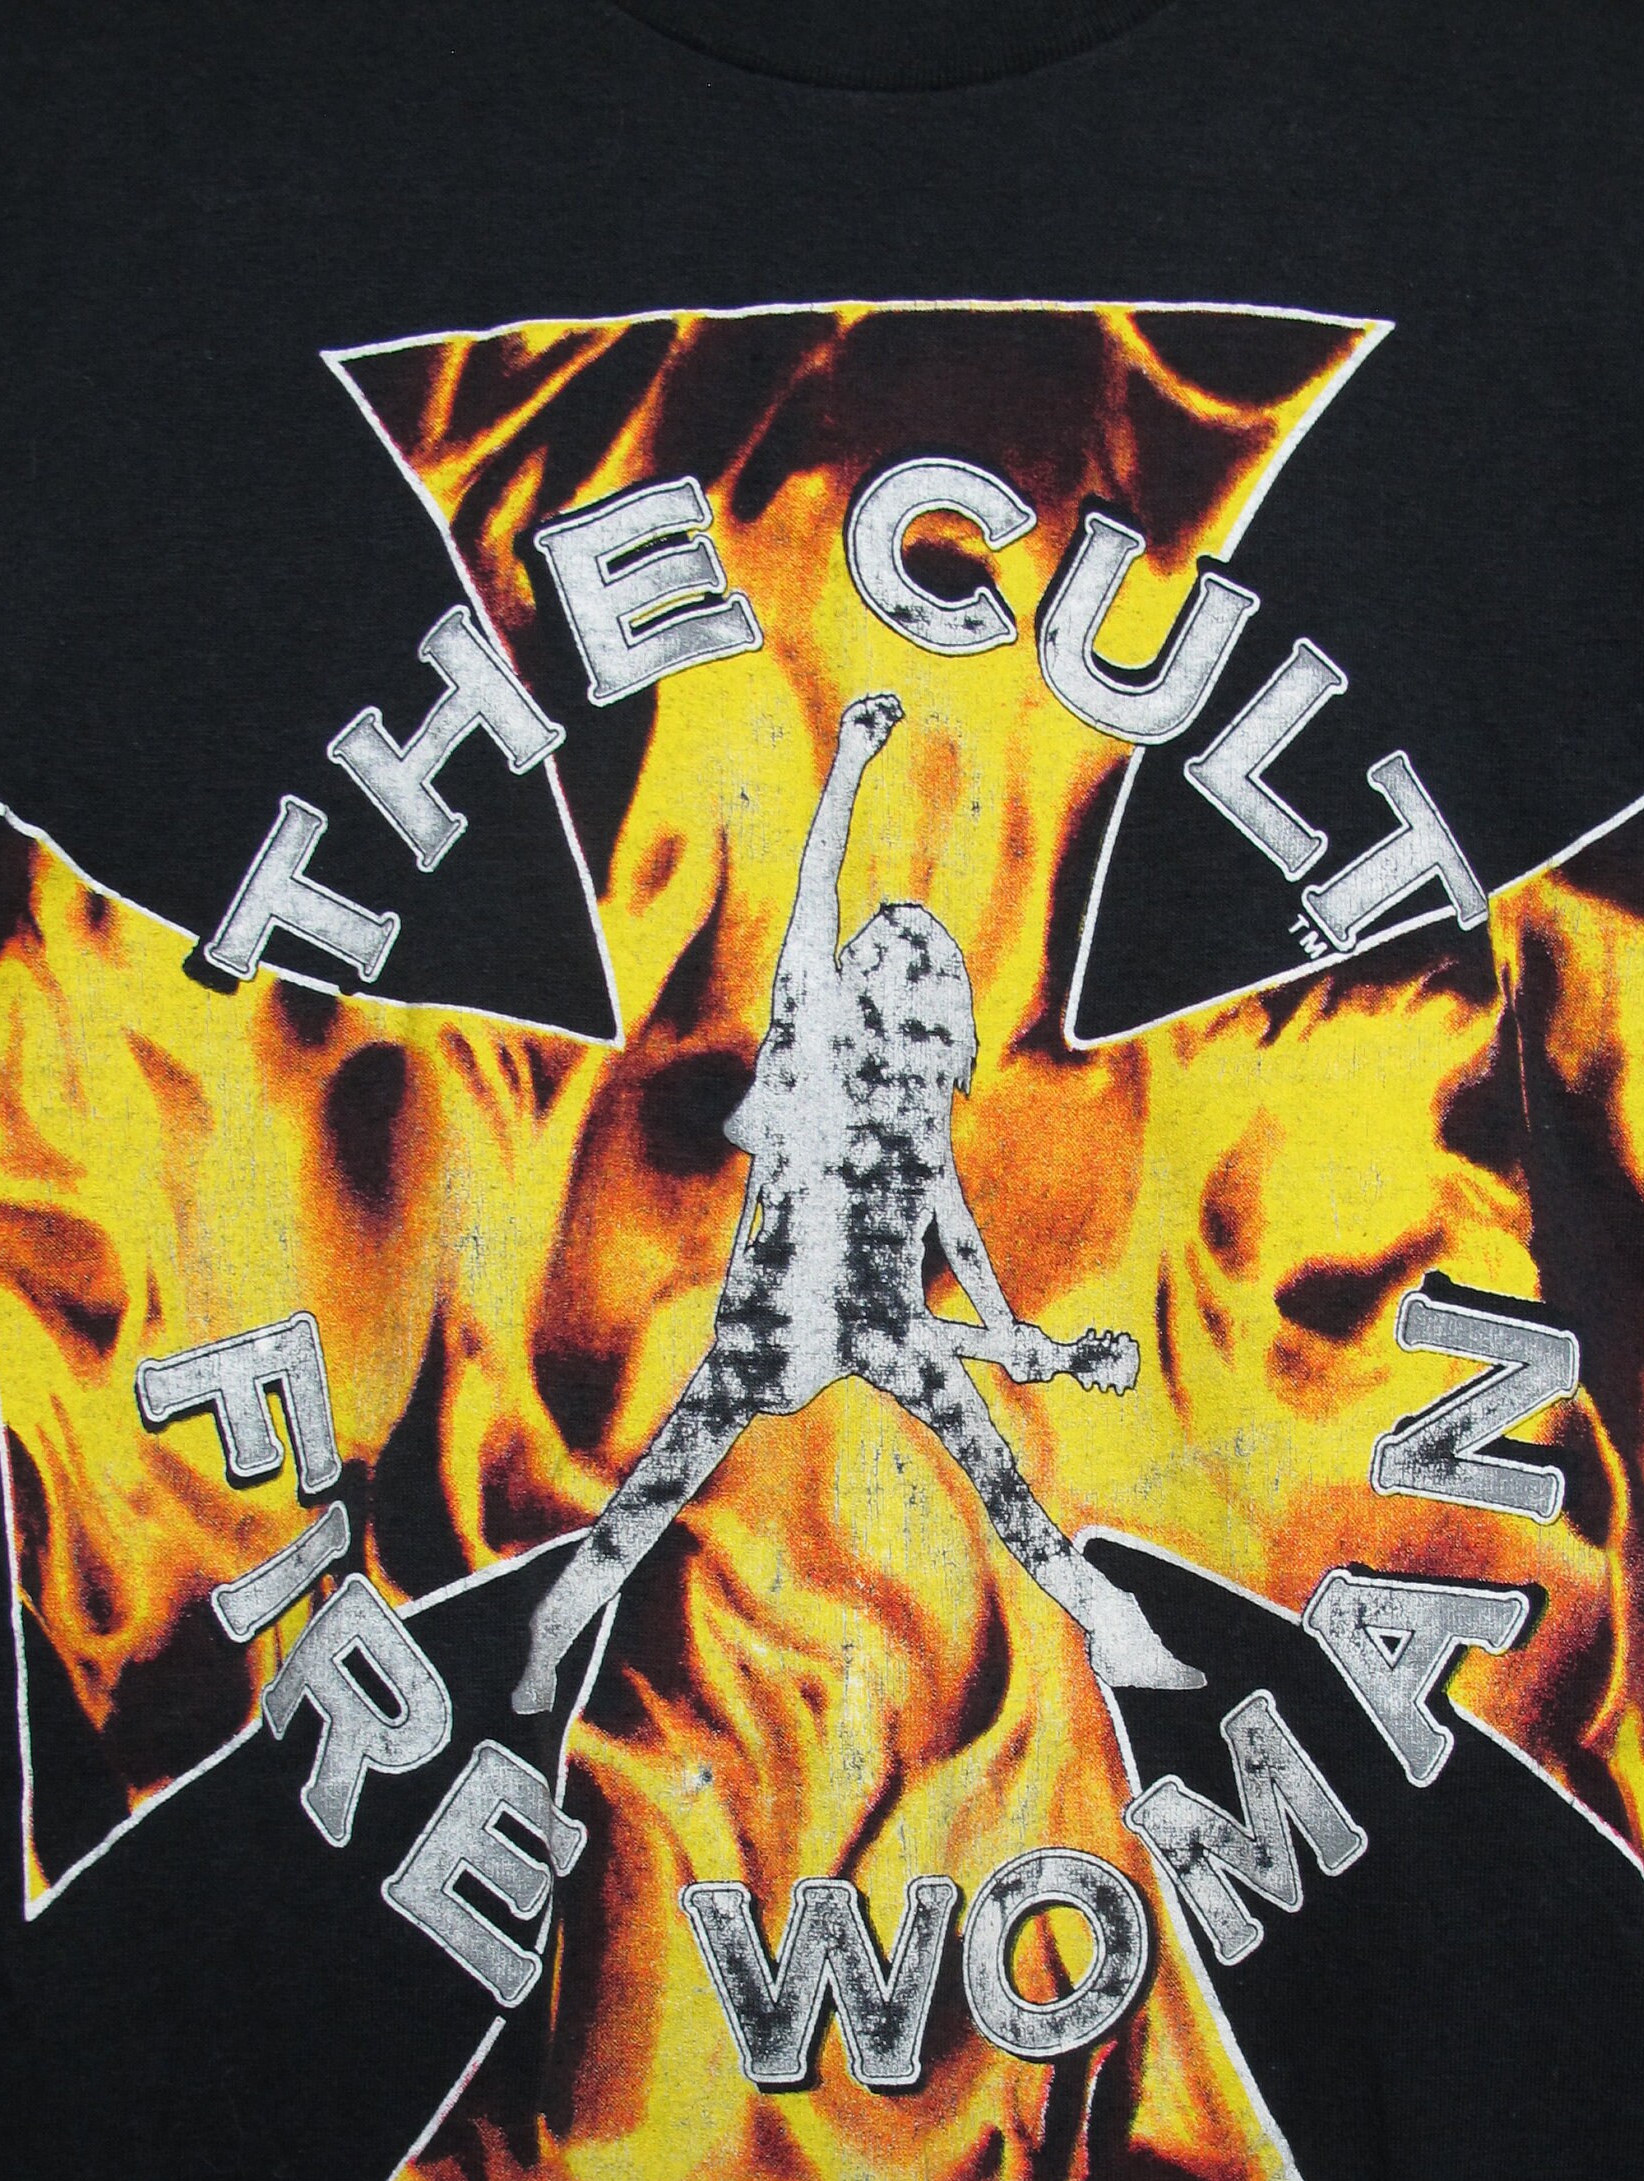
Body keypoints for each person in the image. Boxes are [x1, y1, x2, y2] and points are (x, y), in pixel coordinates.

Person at [512, 691, 1203, 1714]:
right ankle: (549, 1639)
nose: (883, 971)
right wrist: (848, 763)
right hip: (772, 1325)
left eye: (902, 964)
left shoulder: (913, 1102)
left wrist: (1011, 1333)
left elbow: (955, 1227)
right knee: (651, 1498)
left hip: (883, 1326)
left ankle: (1117, 1630)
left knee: (1003, 1492)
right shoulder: (810, 1046)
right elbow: (814, 886)